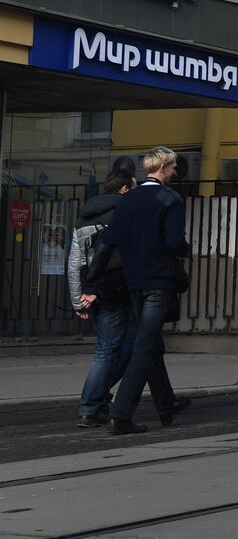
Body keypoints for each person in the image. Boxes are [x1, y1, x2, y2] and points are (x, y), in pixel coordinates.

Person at [82, 147, 191, 435]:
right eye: (174, 167)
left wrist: (91, 285)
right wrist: (185, 250)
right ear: (166, 167)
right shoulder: (170, 198)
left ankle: (166, 406)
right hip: (159, 281)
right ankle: (121, 414)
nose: (175, 172)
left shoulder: (127, 201)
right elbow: (174, 242)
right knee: (144, 346)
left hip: (133, 281)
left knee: (150, 344)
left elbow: (106, 246)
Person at [69, 170, 137, 427]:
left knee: (116, 348)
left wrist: (78, 299)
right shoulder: (125, 212)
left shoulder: (83, 217)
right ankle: (90, 406)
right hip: (120, 286)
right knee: (112, 350)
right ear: (124, 189)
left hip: (94, 289)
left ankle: (96, 399)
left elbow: (75, 263)